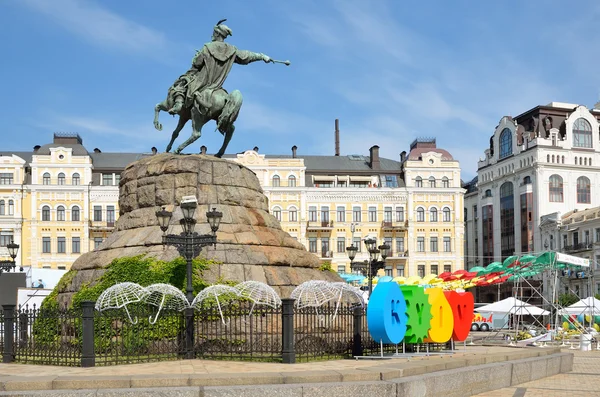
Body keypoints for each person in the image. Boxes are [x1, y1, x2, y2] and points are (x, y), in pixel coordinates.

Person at [166, 19, 272, 116]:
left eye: (214, 33)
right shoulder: (232, 50)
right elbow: (246, 55)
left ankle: (178, 104)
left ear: (217, 33)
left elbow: (197, 64)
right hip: (216, 85)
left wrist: (196, 57)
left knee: (181, 82)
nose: (212, 35)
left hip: (201, 82)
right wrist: (262, 56)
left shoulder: (207, 47)